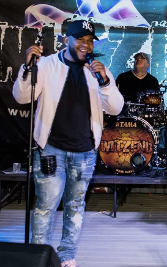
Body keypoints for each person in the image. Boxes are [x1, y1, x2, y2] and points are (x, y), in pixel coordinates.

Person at [12, 19, 123, 267]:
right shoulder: (46, 65)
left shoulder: (97, 70)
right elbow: (21, 97)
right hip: (51, 148)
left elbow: (115, 108)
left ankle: (67, 256)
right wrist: (27, 68)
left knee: (75, 206)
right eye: (80, 39)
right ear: (66, 40)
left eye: (90, 40)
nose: (86, 45)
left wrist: (105, 81)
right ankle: (38, 257)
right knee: (46, 206)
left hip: (85, 151)